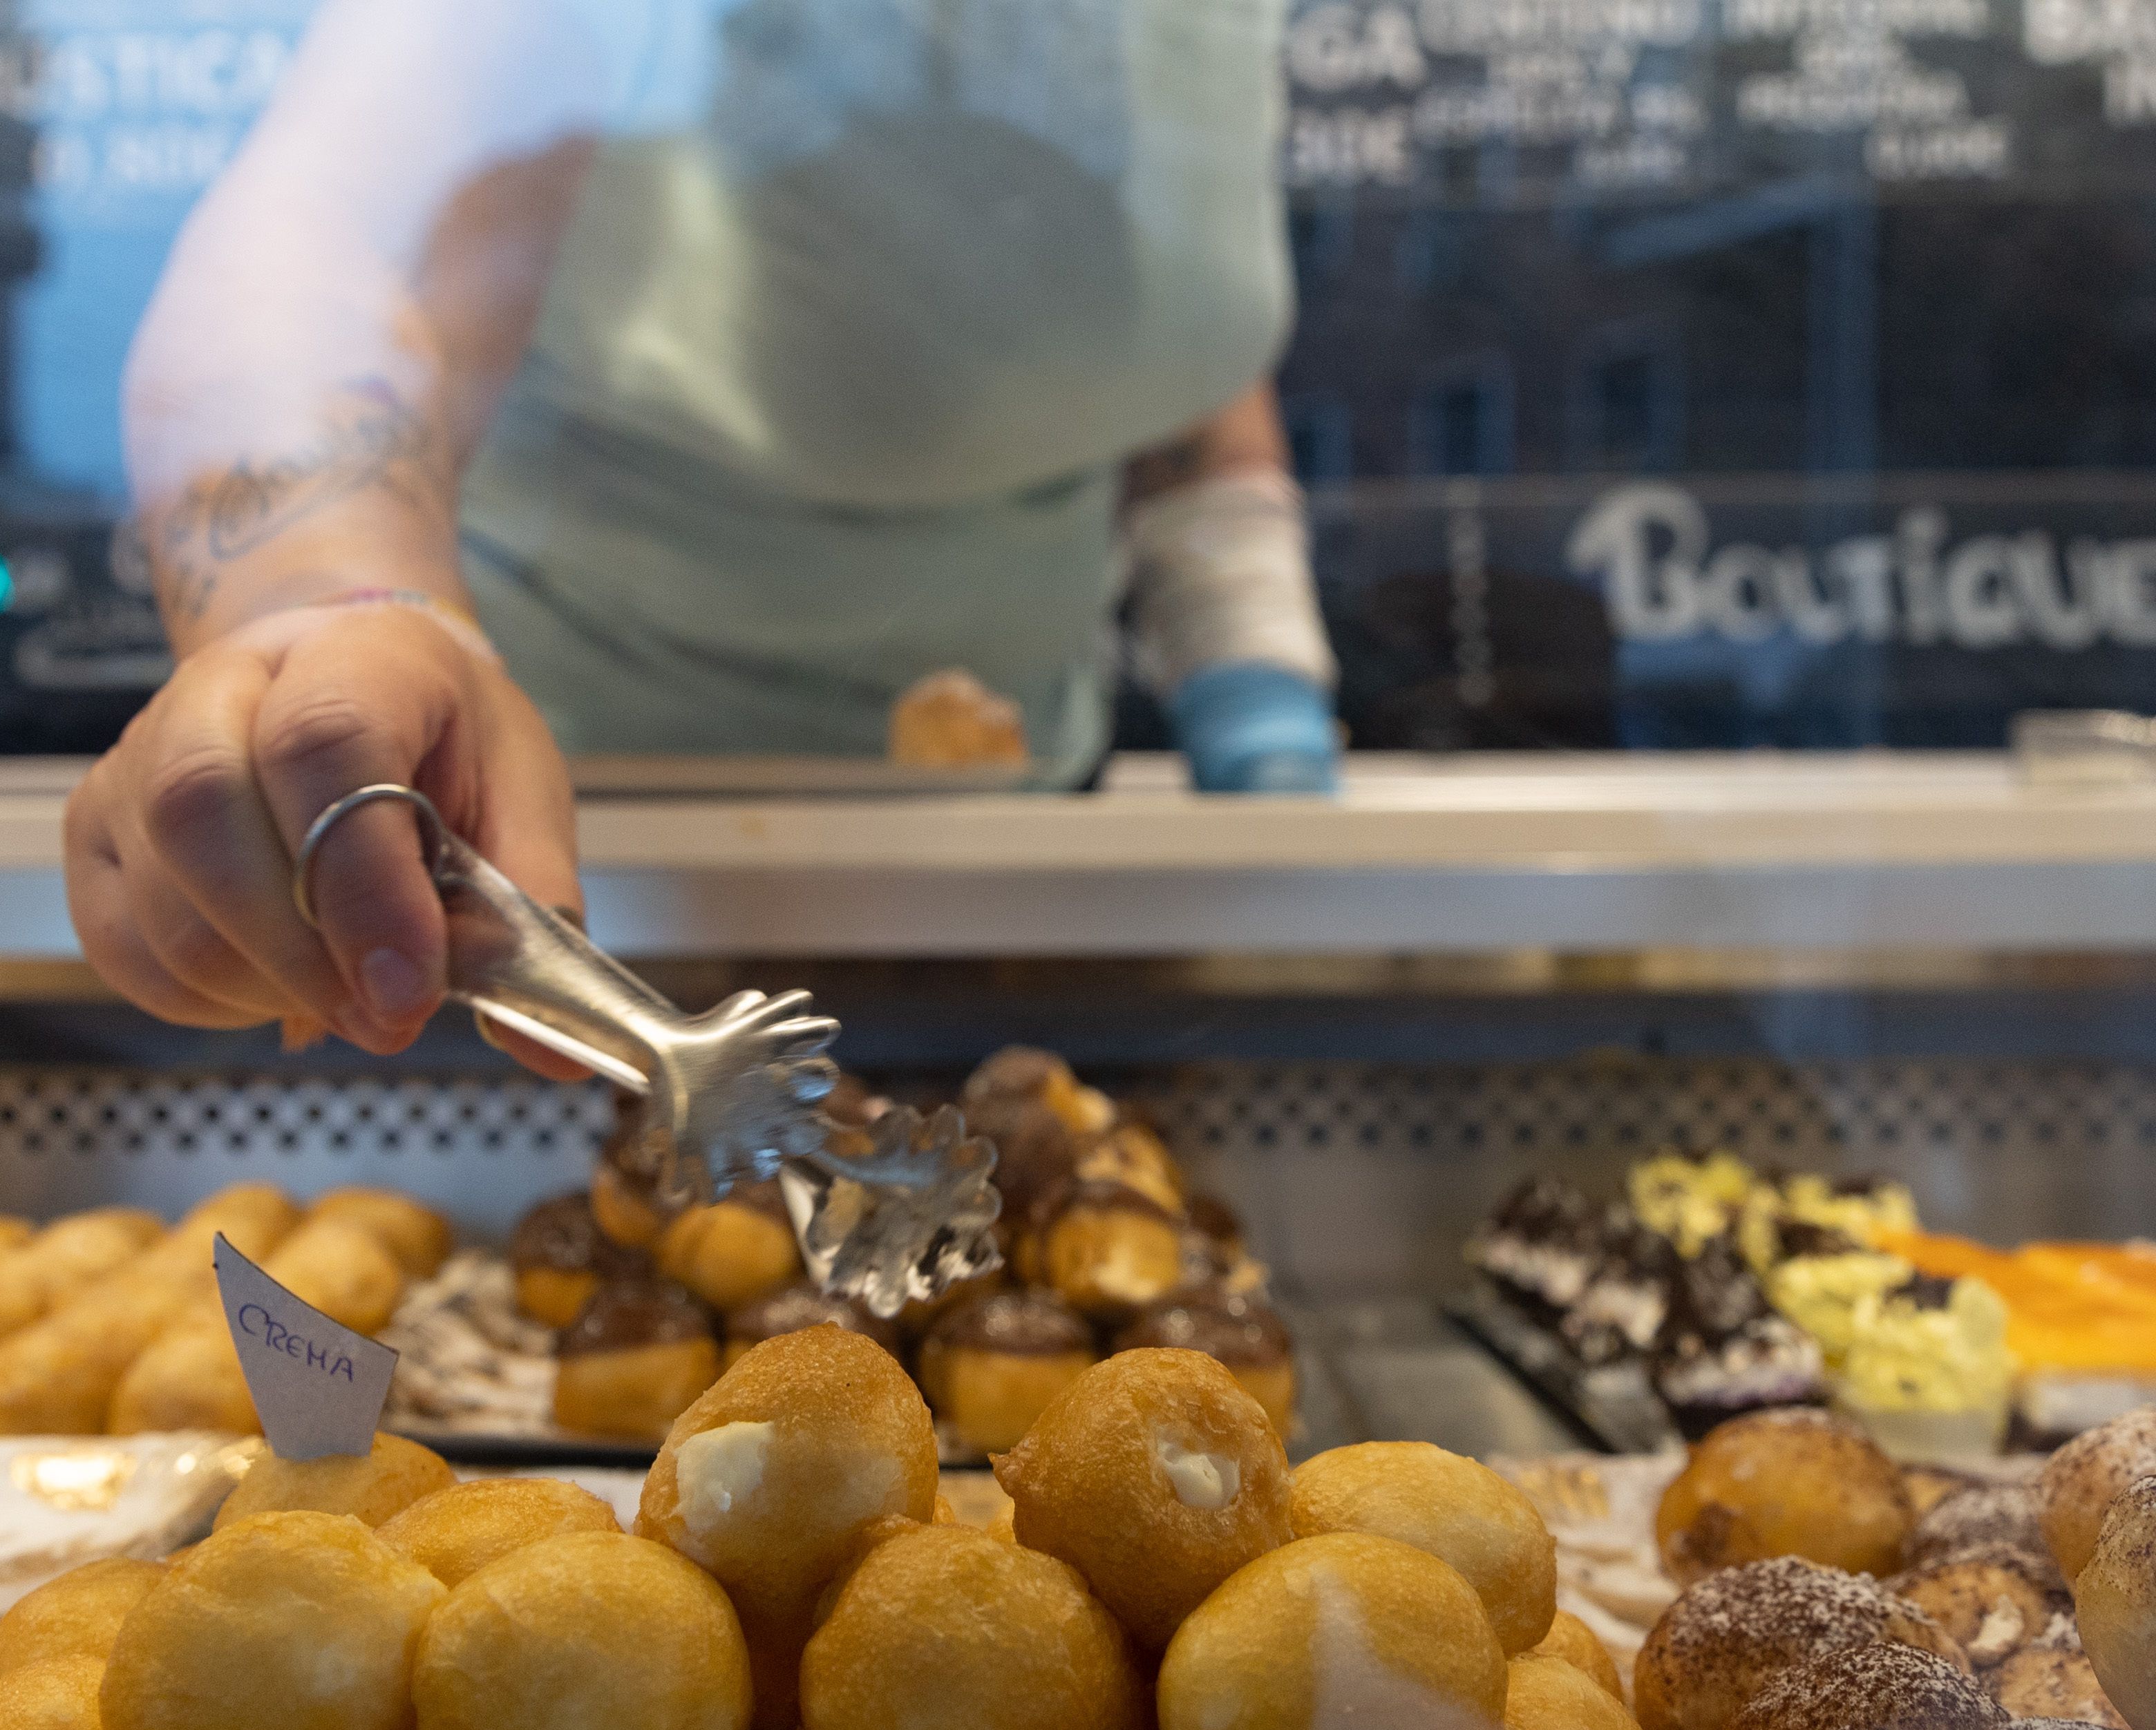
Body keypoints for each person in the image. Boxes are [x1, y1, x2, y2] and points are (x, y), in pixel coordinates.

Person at [66, 0, 1336, 1060]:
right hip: (568, 914)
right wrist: (327, 606)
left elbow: (1141, 331)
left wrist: (1250, 657)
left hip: (1021, 848)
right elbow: (338, 242)